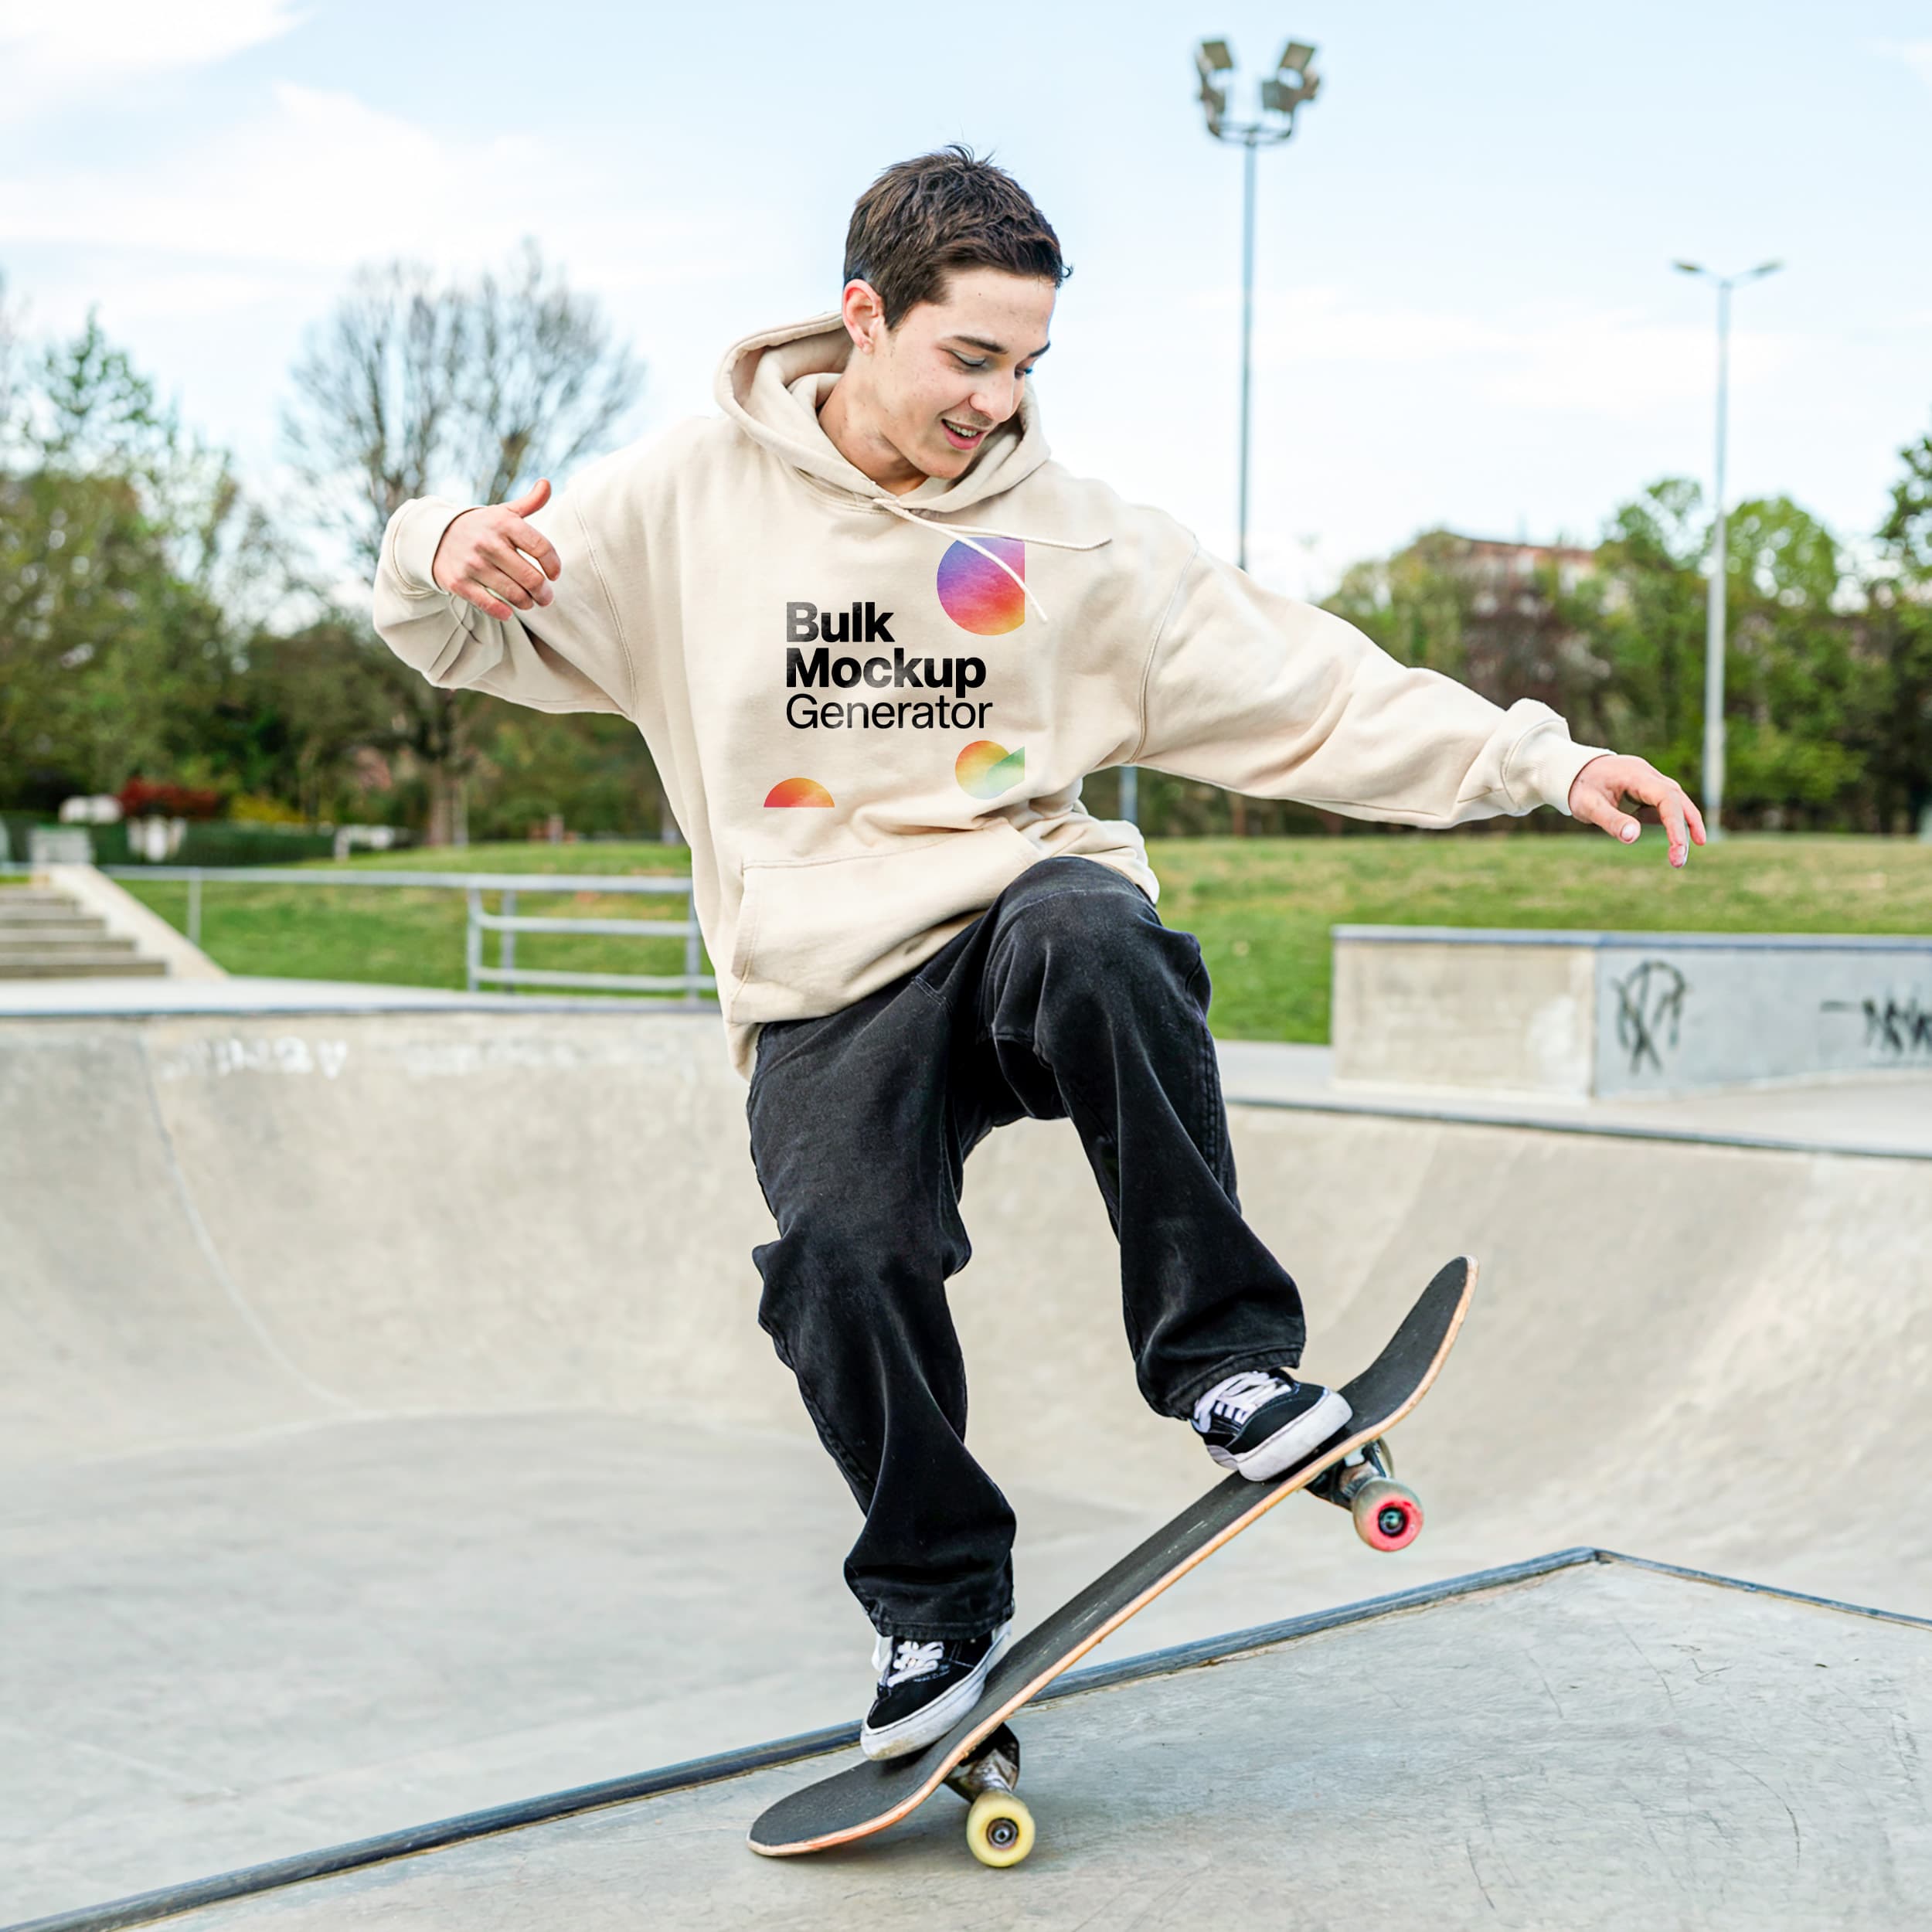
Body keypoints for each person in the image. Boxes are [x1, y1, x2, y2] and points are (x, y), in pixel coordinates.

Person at [372, 146, 1703, 1762]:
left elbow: (1310, 687)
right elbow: (457, 626)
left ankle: (1221, 1361)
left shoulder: (1077, 545)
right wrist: (440, 541)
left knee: (1099, 932)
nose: (994, 402)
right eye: (967, 356)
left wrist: (1533, 762)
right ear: (862, 319)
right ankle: (933, 1600)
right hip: (822, 982)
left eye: (1025, 366)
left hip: (1015, 915)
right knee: (836, 1264)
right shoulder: (676, 504)